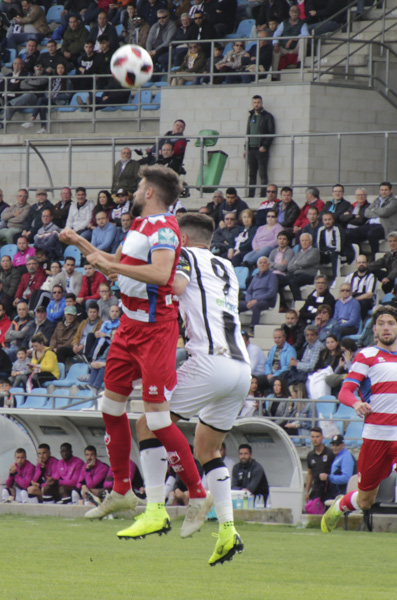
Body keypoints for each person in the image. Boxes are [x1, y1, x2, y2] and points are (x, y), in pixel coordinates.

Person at [60, 166, 210, 531]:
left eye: (140, 185)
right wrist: (80, 244)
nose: (135, 190)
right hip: (127, 326)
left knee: (157, 419)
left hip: (154, 331)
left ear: (150, 193)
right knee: (110, 406)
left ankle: (198, 495)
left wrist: (106, 263)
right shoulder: (140, 226)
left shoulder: (164, 229)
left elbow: (160, 275)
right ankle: (123, 490)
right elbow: (118, 267)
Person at [116, 213, 252, 563]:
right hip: (241, 369)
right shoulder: (227, 265)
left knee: (148, 422)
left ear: (184, 240)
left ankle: (156, 508)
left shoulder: (185, 256)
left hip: (209, 360)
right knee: (208, 450)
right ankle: (227, 530)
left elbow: (173, 286)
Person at [320, 305, 397, 577]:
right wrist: (356, 404)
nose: (386, 327)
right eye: (381, 323)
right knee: (365, 500)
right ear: (375, 329)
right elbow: (345, 391)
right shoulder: (366, 356)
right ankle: (342, 504)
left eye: (391, 322)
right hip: (377, 438)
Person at [326, 434, 355, 498]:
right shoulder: (339, 455)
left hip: (343, 493)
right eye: (333, 445)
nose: (335, 447)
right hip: (337, 493)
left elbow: (347, 478)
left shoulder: (346, 457)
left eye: (337, 445)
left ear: (343, 445)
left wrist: (329, 477)